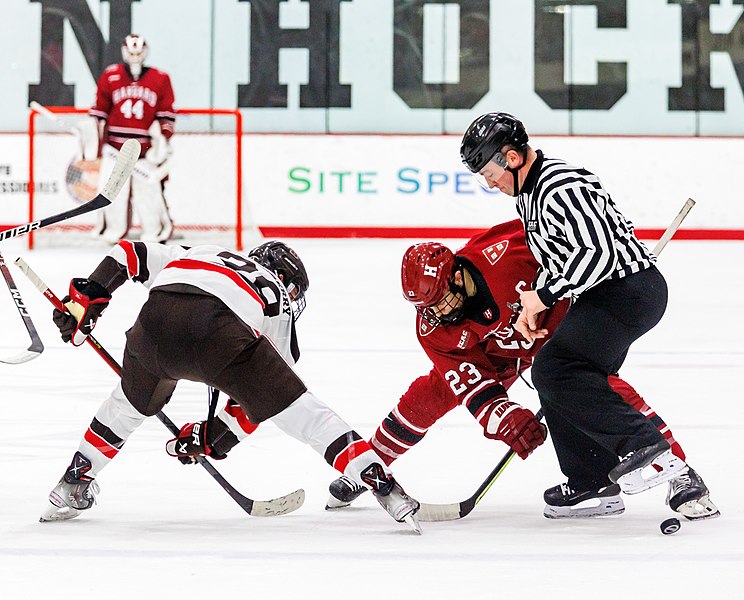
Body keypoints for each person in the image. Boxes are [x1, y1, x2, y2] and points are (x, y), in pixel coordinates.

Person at [325, 219, 718, 520]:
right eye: (426, 307)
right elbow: (470, 383)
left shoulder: (506, 251)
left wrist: (608, 239)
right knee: (429, 394)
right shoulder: (432, 327)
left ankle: (680, 471)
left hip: (559, 332)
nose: (437, 313)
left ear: (457, 275)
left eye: (442, 299)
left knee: (602, 390)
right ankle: (368, 466)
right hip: (495, 353)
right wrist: (505, 418)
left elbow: (565, 231)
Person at [41, 240, 421, 532]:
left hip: (153, 325)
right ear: (286, 280)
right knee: (308, 417)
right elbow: (255, 403)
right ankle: (382, 484)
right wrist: (214, 439)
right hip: (220, 334)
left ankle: (73, 482)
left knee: (126, 405)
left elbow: (129, 252)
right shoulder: (280, 300)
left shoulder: (205, 250)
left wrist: (89, 295)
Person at [455, 112, 719, 520]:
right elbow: (559, 255)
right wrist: (533, 304)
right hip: (610, 294)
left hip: (629, 293)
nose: (489, 183)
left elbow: (597, 254)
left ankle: (645, 448)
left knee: (556, 369)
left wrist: (544, 295)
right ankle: (591, 482)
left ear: (510, 157)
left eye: (489, 172)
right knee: (561, 375)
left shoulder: (560, 183)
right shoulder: (530, 193)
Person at [88, 34, 175, 244]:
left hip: (144, 151)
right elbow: (99, 114)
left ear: (145, 52)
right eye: (131, 52)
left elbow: (166, 115)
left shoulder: (160, 78)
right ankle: (112, 234)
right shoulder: (110, 76)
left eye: (138, 52)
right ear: (124, 51)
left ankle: (153, 234)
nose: (135, 56)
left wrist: (162, 140)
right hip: (115, 149)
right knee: (111, 194)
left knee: (149, 195)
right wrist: (94, 141)